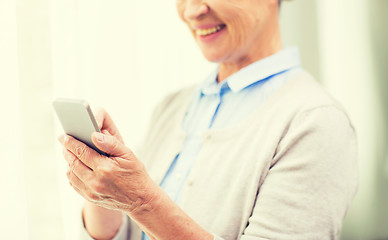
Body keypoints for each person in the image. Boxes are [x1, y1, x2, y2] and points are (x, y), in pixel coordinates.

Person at [58, 0, 358, 239]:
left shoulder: (316, 122)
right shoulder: (173, 107)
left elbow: (146, 208)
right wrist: (103, 190)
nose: (192, 10)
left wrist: (140, 200)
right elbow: (127, 232)